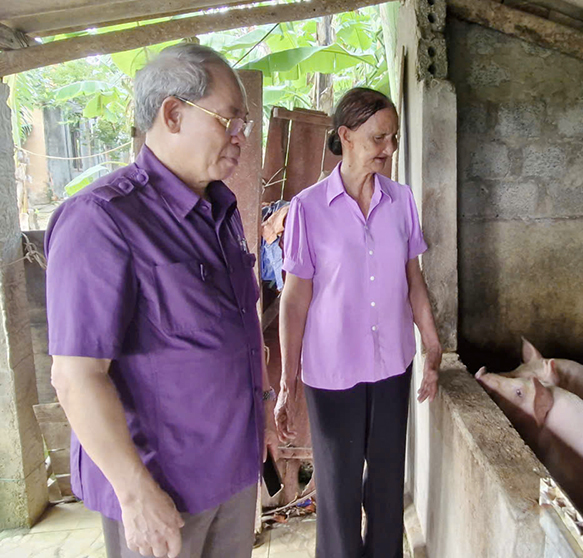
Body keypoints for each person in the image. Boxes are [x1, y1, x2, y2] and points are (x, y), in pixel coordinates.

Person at [45, 44, 269, 558]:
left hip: (230, 476)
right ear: (172, 114)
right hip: (163, 492)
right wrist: (136, 493)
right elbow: (76, 375)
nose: (240, 137)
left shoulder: (219, 210)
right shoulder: (102, 220)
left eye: (244, 124)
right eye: (229, 120)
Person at [275, 87, 442, 558]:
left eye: (392, 138)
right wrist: (288, 381)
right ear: (345, 136)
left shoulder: (401, 200)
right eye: (378, 138)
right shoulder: (308, 208)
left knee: (388, 490)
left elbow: (413, 279)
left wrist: (432, 347)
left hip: (391, 366)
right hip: (332, 374)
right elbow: (294, 298)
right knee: (339, 493)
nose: (388, 149)